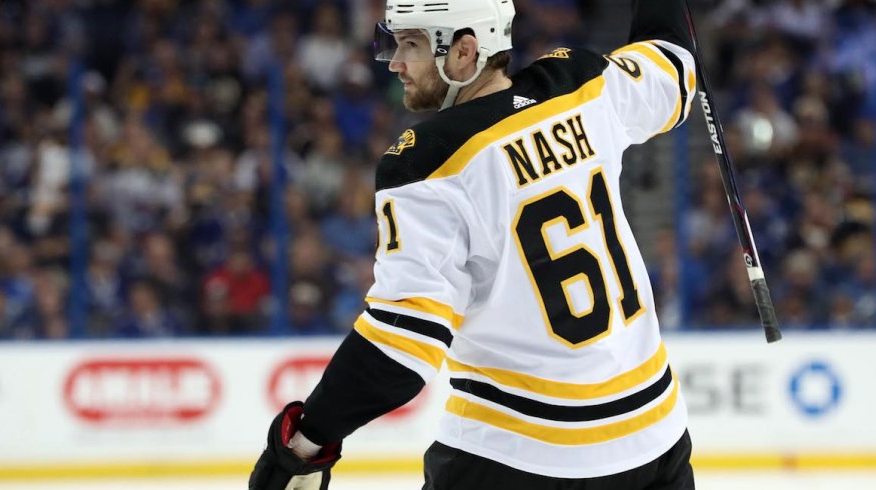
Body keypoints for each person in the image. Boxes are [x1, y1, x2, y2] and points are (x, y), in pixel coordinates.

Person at [249, 0, 698, 488]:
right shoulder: (581, 85)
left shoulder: (428, 163)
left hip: (519, 455)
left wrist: (307, 441)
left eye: (412, 44)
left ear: (465, 51)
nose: (395, 62)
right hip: (655, 443)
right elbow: (673, 65)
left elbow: (402, 343)